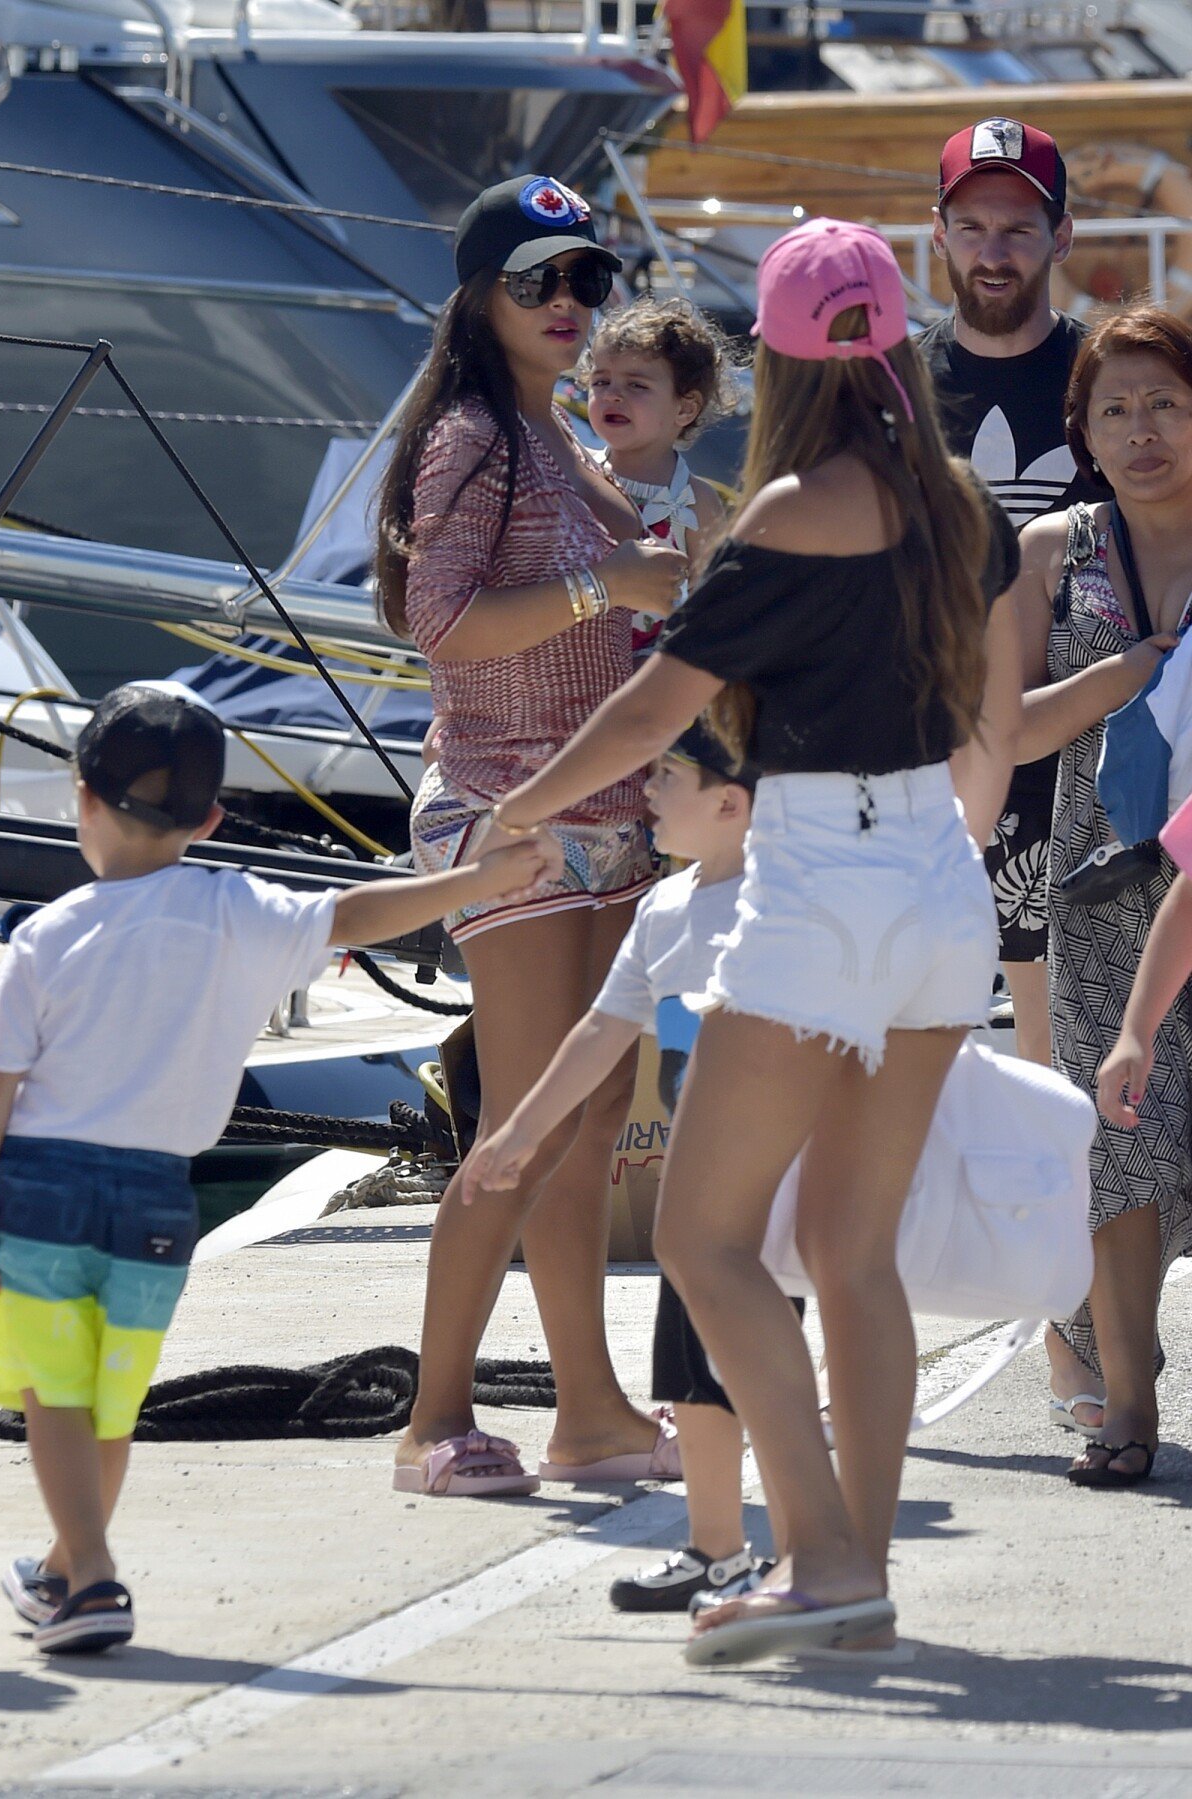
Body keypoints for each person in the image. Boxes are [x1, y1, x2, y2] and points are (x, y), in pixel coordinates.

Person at [471, 217, 1022, 1662]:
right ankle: (859, 1572)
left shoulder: (785, 509)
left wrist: (517, 811)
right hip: (936, 883)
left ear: (776, 354)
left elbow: (658, 712)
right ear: (894, 336)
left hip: (821, 880)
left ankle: (825, 1558)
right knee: (853, 1251)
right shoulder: (956, 498)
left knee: (713, 1240)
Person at [0, 683, 561, 1652]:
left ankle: (90, 1576)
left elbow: (0, 1090)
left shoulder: (44, 938)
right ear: (213, 817)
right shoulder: (239, 910)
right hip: (160, 1197)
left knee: (52, 1391)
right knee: (114, 1395)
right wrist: (477, 879)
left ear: (82, 797)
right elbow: (357, 912)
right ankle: (61, 1564)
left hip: (47, 1191)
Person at [376, 175, 687, 1496]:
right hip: (511, 807)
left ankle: (591, 1408)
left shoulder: (554, 427)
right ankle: (432, 1419)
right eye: (536, 279)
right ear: (476, 293)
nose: (568, 303)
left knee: (593, 1112)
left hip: (613, 811)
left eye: (588, 280)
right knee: (519, 1123)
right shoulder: (471, 434)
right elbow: (435, 622)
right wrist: (606, 580)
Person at [465, 723, 797, 1613]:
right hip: (698, 1189)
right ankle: (717, 1549)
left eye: (668, 775)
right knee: (688, 1371)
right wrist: (522, 1132)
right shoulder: (665, 907)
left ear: (733, 803)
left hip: (785, 1184)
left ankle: (806, 1557)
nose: (645, 789)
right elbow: (599, 1033)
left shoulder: (793, 900)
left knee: (767, 1374)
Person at [919, 116, 1111, 1432]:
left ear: (1058, 234)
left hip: (1069, 764)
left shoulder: (1109, 376)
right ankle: (818, 1339)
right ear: (939, 234)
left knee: (1057, 1071)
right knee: (864, 1052)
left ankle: (1075, 1340)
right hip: (907, 768)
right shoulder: (882, 380)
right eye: (972, 224)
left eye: (1019, 224)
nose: (995, 249)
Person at [1010, 305, 1192, 1487]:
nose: (1143, 430)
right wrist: (1136, 670)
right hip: (1097, 881)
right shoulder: (1050, 552)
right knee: (1117, 1152)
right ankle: (1131, 1398)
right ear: (1081, 430)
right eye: (1114, 408)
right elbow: (1003, 727)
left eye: (1168, 402)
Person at [583, 297, 732, 654]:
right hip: (575, 661)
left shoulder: (695, 502)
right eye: (600, 381)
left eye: (636, 385)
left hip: (649, 670)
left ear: (685, 407)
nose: (612, 395)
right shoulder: (578, 472)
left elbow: (714, 607)